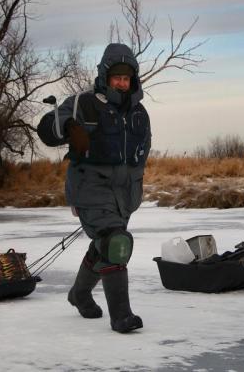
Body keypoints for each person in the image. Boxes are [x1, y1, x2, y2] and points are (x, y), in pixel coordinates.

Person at [37, 43, 151, 332]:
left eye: (127, 79)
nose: (122, 84)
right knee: (116, 243)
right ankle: (121, 317)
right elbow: (48, 127)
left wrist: (135, 185)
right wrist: (68, 130)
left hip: (125, 194)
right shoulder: (84, 103)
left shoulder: (140, 114)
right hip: (90, 186)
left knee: (105, 246)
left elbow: (142, 152)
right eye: (117, 78)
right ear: (105, 76)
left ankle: (79, 293)